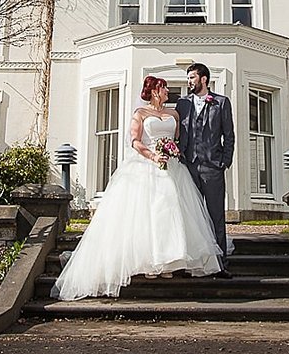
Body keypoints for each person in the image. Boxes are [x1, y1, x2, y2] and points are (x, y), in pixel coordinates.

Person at [51, 75, 223, 300]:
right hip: (146, 166)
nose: (167, 91)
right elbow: (135, 141)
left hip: (171, 168)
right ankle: (149, 262)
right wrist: (153, 154)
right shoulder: (140, 114)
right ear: (154, 91)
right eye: (164, 88)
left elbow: (179, 140)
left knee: (171, 212)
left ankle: (169, 261)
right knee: (148, 214)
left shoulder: (174, 114)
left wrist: (171, 151)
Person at [175, 62, 235, 277]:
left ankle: (220, 264)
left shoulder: (221, 103)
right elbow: (176, 132)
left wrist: (224, 162)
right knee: (190, 215)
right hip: (188, 166)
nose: (189, 81)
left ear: (204, 79)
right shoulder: (182, 104)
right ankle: (191, 262)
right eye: (188, 78)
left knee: (215, 215)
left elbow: (229, 135)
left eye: (192, 77)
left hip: (212, 167)